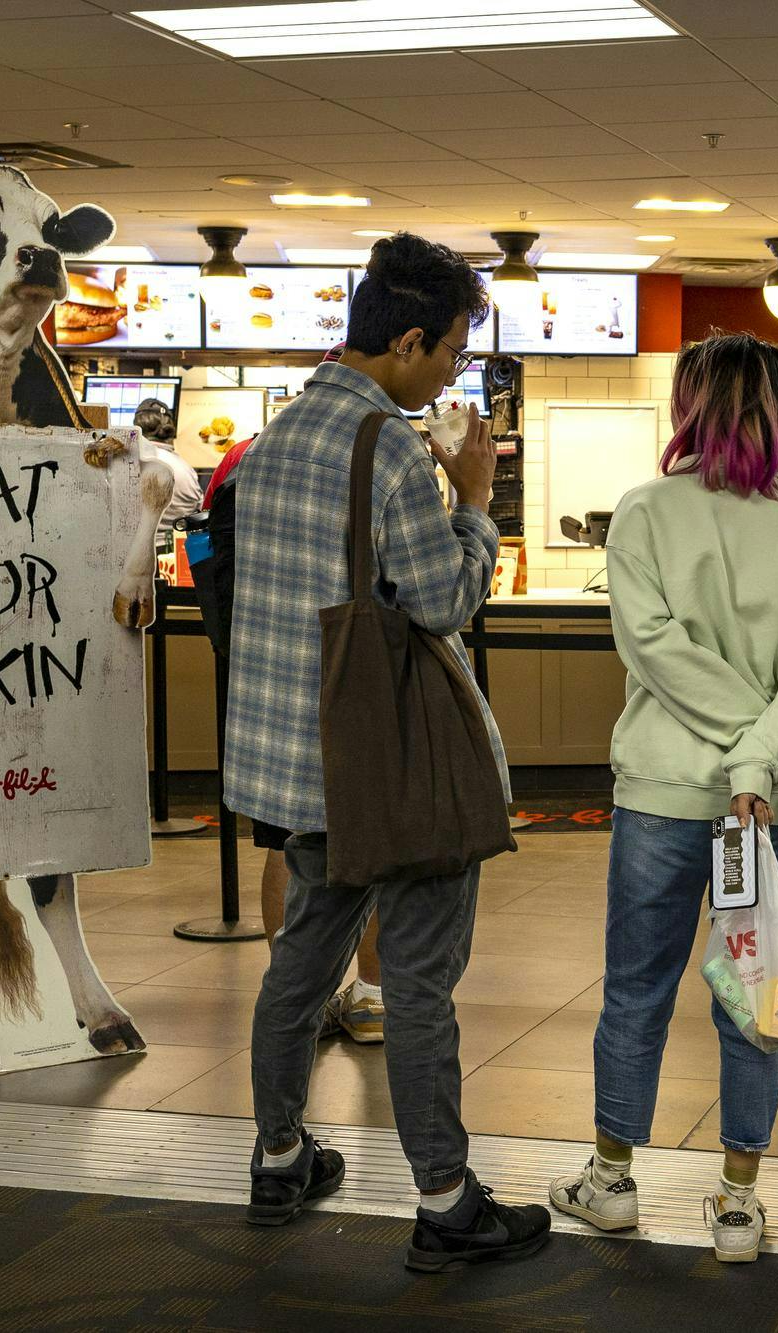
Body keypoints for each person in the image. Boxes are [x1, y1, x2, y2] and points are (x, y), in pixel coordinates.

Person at [223, 233, 549, 1270]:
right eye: (452, 350)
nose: (454, 370)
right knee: (416, 986)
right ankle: (447, 1201)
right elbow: (445, 603)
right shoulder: (393, 452)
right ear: (406, 340)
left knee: (299, 967)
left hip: (296, 766)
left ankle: (279, 1154)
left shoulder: (272, 440)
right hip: (394, 775)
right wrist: (475, 500)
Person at [548, 333, 778, 1264]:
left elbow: (657, 652)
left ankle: (610, 1182)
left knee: (637, 988)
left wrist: (734, 749)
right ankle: (737, 1203)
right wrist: (758, 758)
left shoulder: (642, 513)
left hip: (662, 795)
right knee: (757, 996)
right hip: (760, 815)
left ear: (691, 406)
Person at [200, 420, 382, 1042]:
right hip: (352, 672)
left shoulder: (244, 458)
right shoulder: (370, 456)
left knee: (284, 843)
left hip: (263, 678)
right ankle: (373, 999)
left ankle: (294, 998)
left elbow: (207, 556)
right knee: (376, 843)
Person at [130, 397, 202, 545]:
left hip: (132, 555)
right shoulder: (186, 471)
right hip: (177, 554)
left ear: (136, 429)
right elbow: (197, 511)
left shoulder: (126, 465)